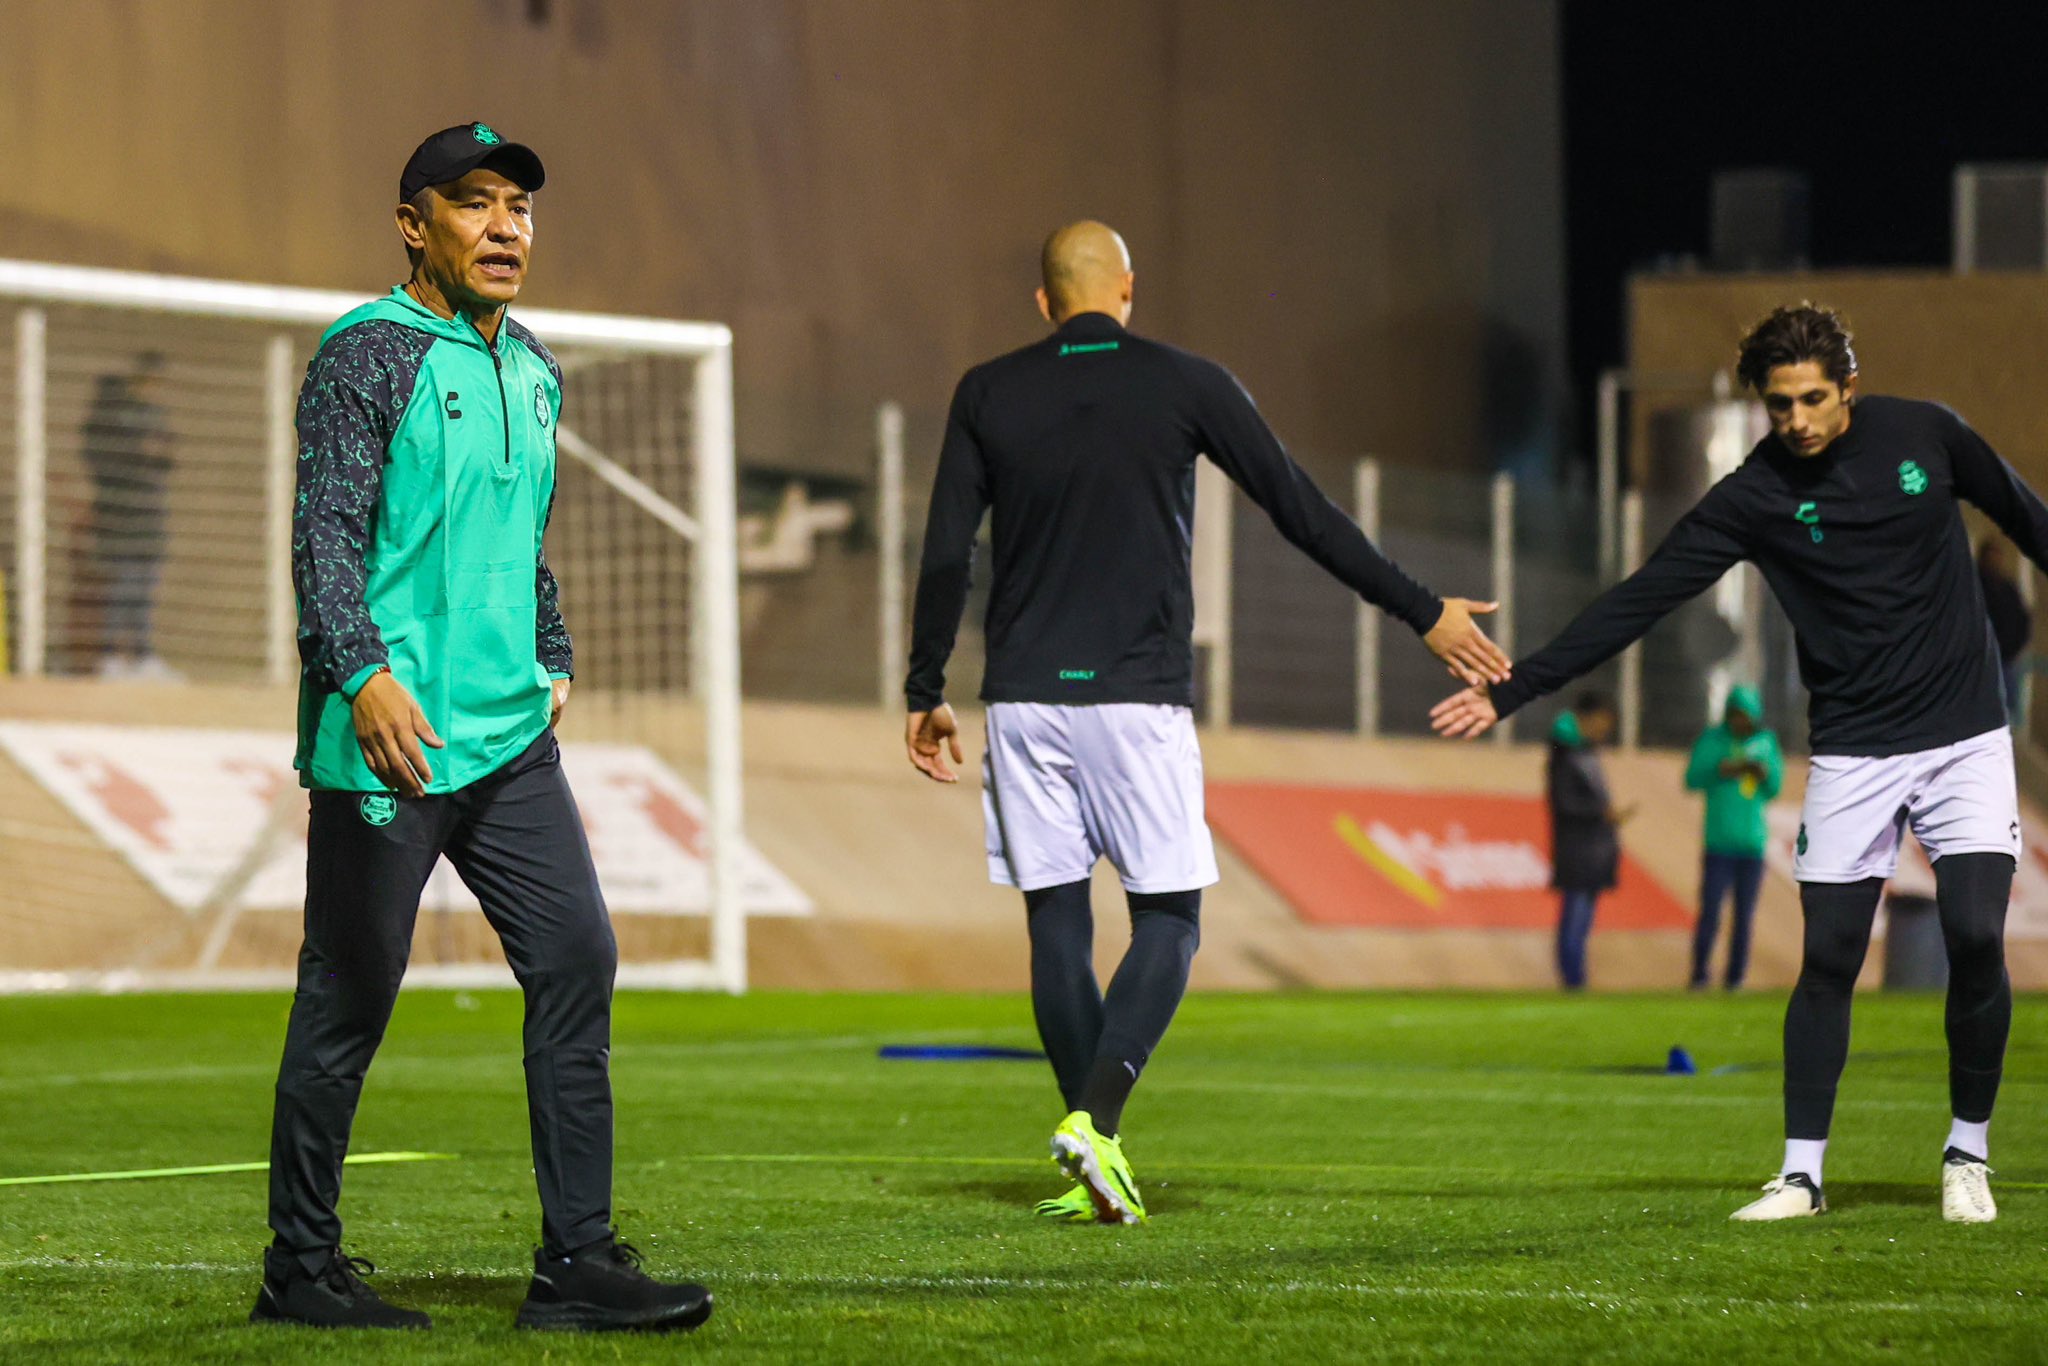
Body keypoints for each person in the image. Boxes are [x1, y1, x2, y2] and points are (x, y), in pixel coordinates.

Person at [904, 220, 1510, 1224]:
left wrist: (925, 682)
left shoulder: (987, 390)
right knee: (1171, 919)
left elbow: (942, 551)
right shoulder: (1186, 382)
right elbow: (1302, 511)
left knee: (1055, 919)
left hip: (1019, 700)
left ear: (1043, 300)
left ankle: (1091, 1144)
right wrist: (1422, 609)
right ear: (1127, 289)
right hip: (1135, 697)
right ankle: (1095, 1126)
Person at [1431, 303, 2033, 1224]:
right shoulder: (1754, 494)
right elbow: (1641, 599)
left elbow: (2029, 520)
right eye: (1778, 404)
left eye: (1813, 399)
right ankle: (1800, 1175)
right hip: (1853, 749)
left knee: (1976, 937)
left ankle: (1967, 1155)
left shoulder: (1930, 434)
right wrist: (1515, 689)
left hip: (1963, 737)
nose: (1795, 420)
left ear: (1849, 387)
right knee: (1829, 956)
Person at [256, 122, 711, 1333]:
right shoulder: (366, 355)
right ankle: (300, 1268)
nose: (507, 225)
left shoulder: (536, 367)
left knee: (576, 958)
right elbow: (326, 536)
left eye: (519, 204)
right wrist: (359, 675)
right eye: (475, 201)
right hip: (391, 742)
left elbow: (523, 540)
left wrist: (550, 650)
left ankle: (575, 1265)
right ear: (415, 225)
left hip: (509, 742)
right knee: (350, 999)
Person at [78, 350, 174, 678]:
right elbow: (102, 462)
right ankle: (111, 657)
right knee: (122, 584)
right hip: (120, 516)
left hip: (148, 517)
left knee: (145, 585)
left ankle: (142, 656)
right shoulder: (113, 418)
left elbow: (167, 457)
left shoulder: (154, 416)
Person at [1684, 686, 1782, 990]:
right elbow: (1691, 779)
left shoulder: (1765, 743)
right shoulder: (1713, 741)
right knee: (1711, 911)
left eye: (1746, 716)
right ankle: (1700, 974)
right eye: (1737, 715)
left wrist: (1763, 773)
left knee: (1744, 917)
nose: (1741, 721)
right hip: (1719, 843)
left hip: (1752, 845)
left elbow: (1774, 787)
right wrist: (1721, 770)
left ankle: (1735, 977)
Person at [1547, 692, 1625, 991]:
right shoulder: (1566, 753)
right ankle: (1573, 979)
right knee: (1575, 917)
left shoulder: (1582, 752)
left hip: (1592, 851)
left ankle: (1576, 978)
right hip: (1577, 849)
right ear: (1586, 717)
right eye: (1603, 720)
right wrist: (1600, 813)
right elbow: (1564, 802)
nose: (1605, 728)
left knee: (1581, 918)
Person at [1977, 537, 2030, 729]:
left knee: (2007, 705)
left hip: (2007, 657)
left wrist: (2017, 646)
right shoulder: (1973, 586)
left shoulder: (2008, 589)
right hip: (1982, 659)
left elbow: (2023, 619)